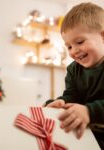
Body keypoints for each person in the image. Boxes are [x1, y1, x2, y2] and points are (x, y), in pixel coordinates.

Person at [44, 2, 104, 149]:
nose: (74, 51)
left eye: (79, 42)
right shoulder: (73, 69)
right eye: (69, 46)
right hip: (87, 134)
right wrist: (62, 102)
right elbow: (72, 95)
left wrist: (89, 111)